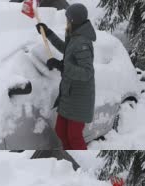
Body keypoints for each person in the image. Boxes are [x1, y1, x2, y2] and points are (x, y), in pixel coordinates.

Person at [35, 3, 96, 150]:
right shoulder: (75, 36)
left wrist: (62, 66)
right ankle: (70, 156)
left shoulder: (83, 43)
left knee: (74, 137)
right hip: (69, 94)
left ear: (73, 21)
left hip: (79, 98)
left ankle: (79, 162)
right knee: (61, 131)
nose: (66, 21)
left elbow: (87, 73)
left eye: (68, 19)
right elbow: (67, 49)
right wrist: (48, 33)